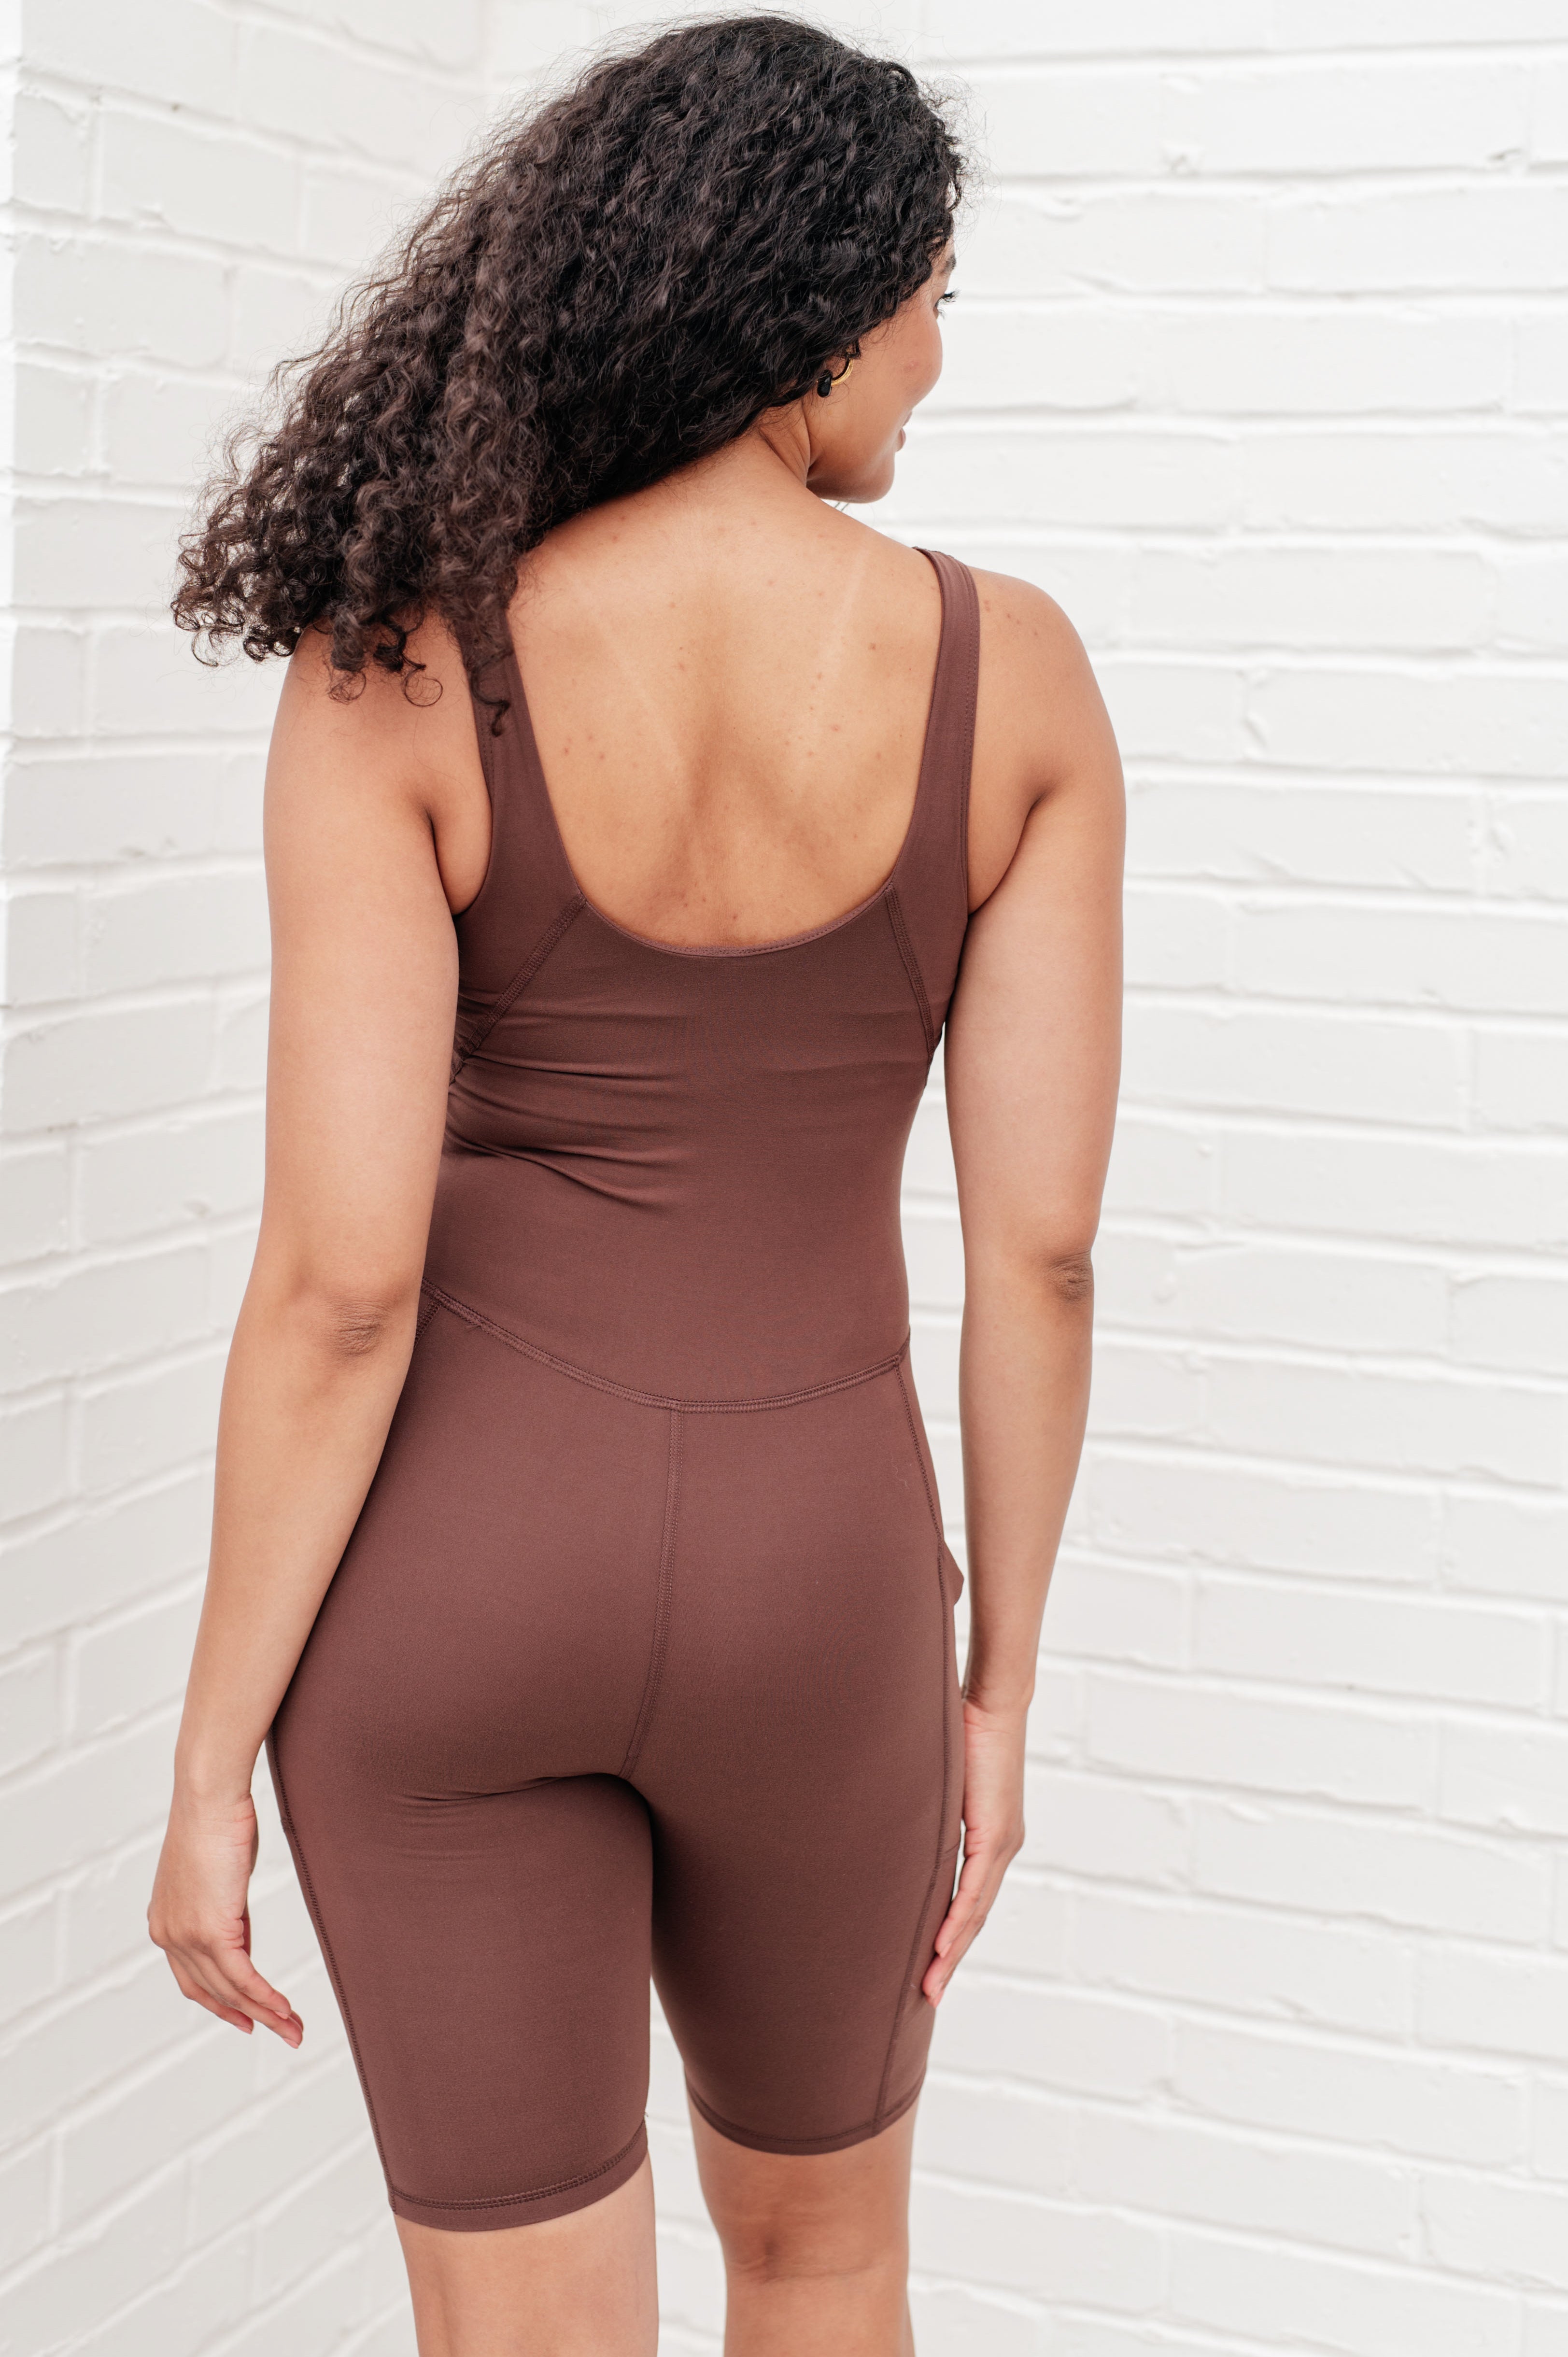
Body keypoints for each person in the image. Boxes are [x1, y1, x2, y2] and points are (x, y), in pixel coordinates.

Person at [148, 16, 1123, 2354]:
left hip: (455, 1577)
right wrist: (992, 1687)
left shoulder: (398, 658)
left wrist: (206, 1756)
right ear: (814, 307)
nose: (934, 361)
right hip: (821, 1586)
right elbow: (1039, 1254)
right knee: (824, 2261)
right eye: (930, 304)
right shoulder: (1014, 679)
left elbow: (341, 1285)